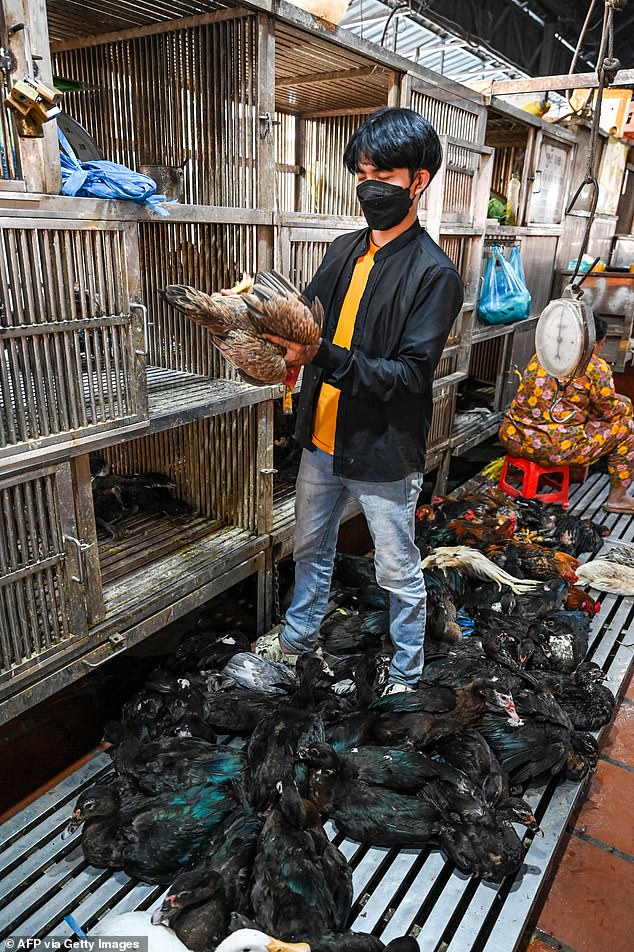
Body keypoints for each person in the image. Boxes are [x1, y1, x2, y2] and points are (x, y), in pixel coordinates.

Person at [254, 107, 464, 693]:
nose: (369, 186)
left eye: (383, 174)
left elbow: (409, 376)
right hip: (321, 440)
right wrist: (257, 315)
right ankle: (296, 640)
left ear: (418, 180)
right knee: (310, 551)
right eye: (362, 171)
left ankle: (405, 673)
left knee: (397, 571)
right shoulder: (345, 249)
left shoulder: (434, 274)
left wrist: (320, 355)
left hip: (381, 453)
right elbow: (305, 319)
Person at [499, 315, 634, 513]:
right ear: (595, 343)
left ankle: (523, 475)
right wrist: (627, 406)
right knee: (628, 427)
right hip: (554, 448)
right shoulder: (595, 367)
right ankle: (618, 498)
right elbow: (609, 412)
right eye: (601, 344)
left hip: (514, 437)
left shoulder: (542, 356)